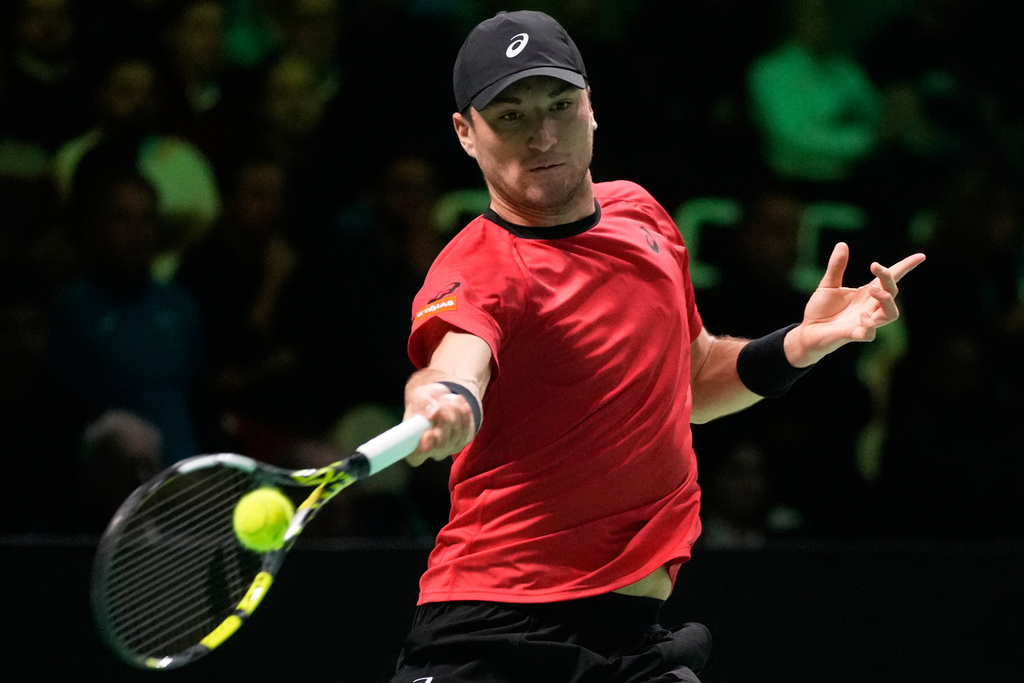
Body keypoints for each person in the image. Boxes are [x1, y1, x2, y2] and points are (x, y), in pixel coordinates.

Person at [389, 11, 925, 683]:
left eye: (559, 105)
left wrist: (799, 344)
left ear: (591, 108)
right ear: (466, 134)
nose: (543, 134)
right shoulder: (481, 266)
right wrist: (444, 396)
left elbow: (692, 381)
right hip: (494, 629)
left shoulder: (641, 216)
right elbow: (455, 362)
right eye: (512, 116)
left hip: (630, 642)